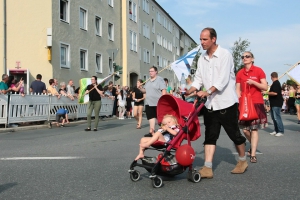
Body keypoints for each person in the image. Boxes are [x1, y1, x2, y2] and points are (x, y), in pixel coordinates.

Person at [186, 27, 248, 178]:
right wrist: (191, 89)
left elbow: (223, 80)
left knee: (235, 135)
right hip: (210, 105)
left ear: (214, 39)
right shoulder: (202, 58)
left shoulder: (225, 55)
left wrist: (207, 91)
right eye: (200, 39)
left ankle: (242, 160)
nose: (202, 42)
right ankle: (207, 168)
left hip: (226, 103)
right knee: (210, 136)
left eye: (205, 39)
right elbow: (199, 78)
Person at [236, 51, 268, 163]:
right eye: (243, 57)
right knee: (245, 130)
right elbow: (237, 89)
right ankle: (252, 145)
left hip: (256, 103)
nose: (244, 58)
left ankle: (253, 154)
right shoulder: (240, 73)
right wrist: (239, 101)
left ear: (252, 59)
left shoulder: (258, 70)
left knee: (254, 129)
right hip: (244, 104)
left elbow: (265, 87)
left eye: (247, 56)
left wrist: (254, 83)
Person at [144, 66, 166, 136]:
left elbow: (163, 90)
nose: (150, 72)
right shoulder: (148, 81)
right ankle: (152, 131)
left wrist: (163, 101)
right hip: (149, 102)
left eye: (152, 71)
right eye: (149, 71)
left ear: (156, 72)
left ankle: (164, 130)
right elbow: (145, 91)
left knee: (160, 118)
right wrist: (140, 88)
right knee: (151, 117)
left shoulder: (160, 80)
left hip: (157, 102)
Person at [265, 72, 284, 136]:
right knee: (273, 117)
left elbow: (275, 93)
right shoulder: (275, 83)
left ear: (271, 76)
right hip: (273, 103)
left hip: (277, 103)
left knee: (277, 117)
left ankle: (280, 131)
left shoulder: (276, 83)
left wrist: (267, 93)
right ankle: (276, 130)